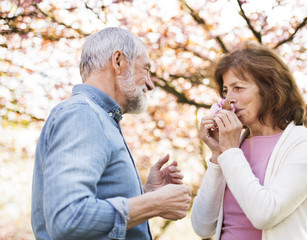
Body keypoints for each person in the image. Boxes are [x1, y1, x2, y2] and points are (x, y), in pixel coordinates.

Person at [31, 27, 191, 240]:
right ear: (118, 61)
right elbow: (68, 218)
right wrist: (155, 203)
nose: (151, 85)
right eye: (146, 69)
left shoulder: (97, 117)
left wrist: (145, 195)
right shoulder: (83, 115)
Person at [191, 42, 307, 240]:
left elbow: (264, 215)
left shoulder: (304, 143)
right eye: (226, 91)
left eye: (238, 88)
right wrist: (218, 155)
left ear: (269, 88)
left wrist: (230, 151)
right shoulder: (232, 147)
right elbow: (202, 226)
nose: (229, 101)